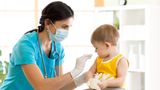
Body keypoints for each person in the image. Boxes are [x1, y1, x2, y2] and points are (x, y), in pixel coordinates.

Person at [0, 1, 92, 90]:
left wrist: (82, 79)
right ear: (47, 23)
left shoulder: (57, 48)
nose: (67, 31)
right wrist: (75, 71)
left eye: (68, 27)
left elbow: (59, 87)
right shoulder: (26, 45)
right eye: (64, 27)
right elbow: (41, 87)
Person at [86, 24, 129, 90]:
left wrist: (107, 83)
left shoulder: (121, 60)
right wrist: (90, 80)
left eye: (96, 48)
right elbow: (90, 72)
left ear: (107, 45)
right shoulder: (98, 59)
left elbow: (121, 80)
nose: (95, 51)